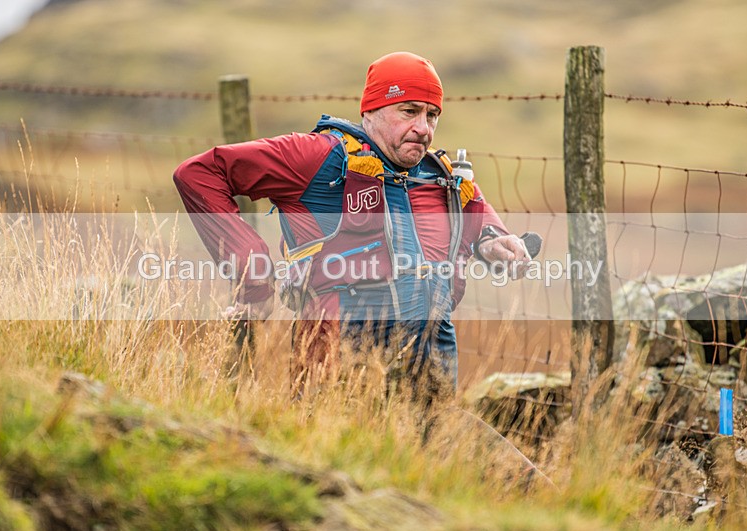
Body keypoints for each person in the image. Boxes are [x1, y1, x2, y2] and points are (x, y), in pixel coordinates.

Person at [173, 51, 529, 399]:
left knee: (439, 438)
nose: (423, 128)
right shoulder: (318, 157)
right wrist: (254, 279)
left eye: (432, 115)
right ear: (371, 110)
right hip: (335, 382)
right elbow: (200, 174)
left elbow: (476, 216)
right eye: (409, 111)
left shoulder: (442, 176)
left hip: (431, 376)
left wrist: (494, 240)